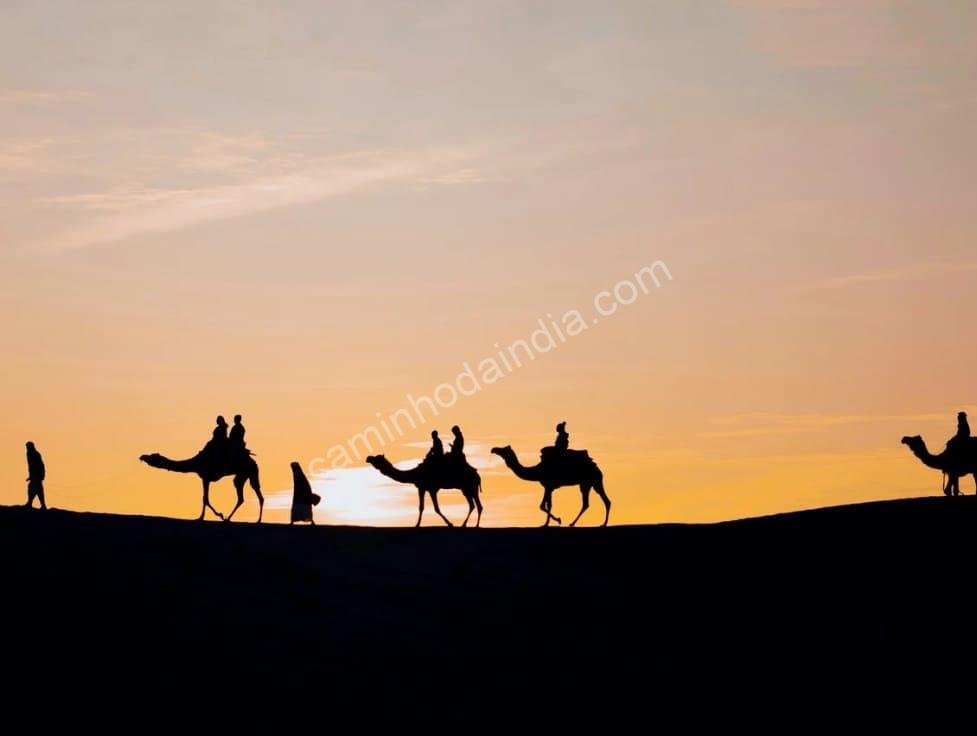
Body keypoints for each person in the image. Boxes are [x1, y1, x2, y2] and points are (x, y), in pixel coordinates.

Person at [25, 441, 47, 510]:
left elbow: (40, 465)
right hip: (34, 475)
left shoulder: (35, 454)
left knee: (35, 489)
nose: (27, 448)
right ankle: (32, 503)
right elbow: (30, 466)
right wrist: (30, 476)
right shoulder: (29, 453)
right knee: (35, 489)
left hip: (37, 475)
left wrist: (41, 475)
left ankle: (32, 503)